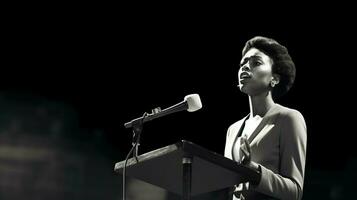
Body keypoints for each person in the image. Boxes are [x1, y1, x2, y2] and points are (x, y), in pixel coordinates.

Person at [224, 36, 307, 200]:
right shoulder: (232, 130)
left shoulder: (288, 119)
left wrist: (253, 170)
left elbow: (294, 192)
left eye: (256, 63)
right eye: (243, 63)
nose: (245, 67)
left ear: (274, 79)